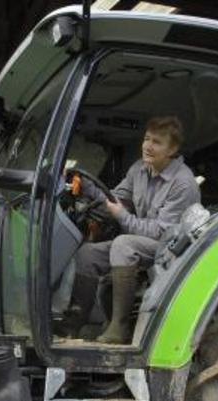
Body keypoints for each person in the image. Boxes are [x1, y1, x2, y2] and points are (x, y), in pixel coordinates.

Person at [65, 115, 200, 344]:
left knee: (123, 244)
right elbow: (113, 199)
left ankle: (120, 326)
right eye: (147, 139)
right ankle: (77, 323)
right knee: (87, 254)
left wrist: (123, 216)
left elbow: (160, 233)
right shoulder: (139, 169)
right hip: (143, 240)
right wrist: (85, 185)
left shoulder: (184, 183)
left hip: (170, 248)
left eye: (157, 142)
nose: (148, 146)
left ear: (172, 149)